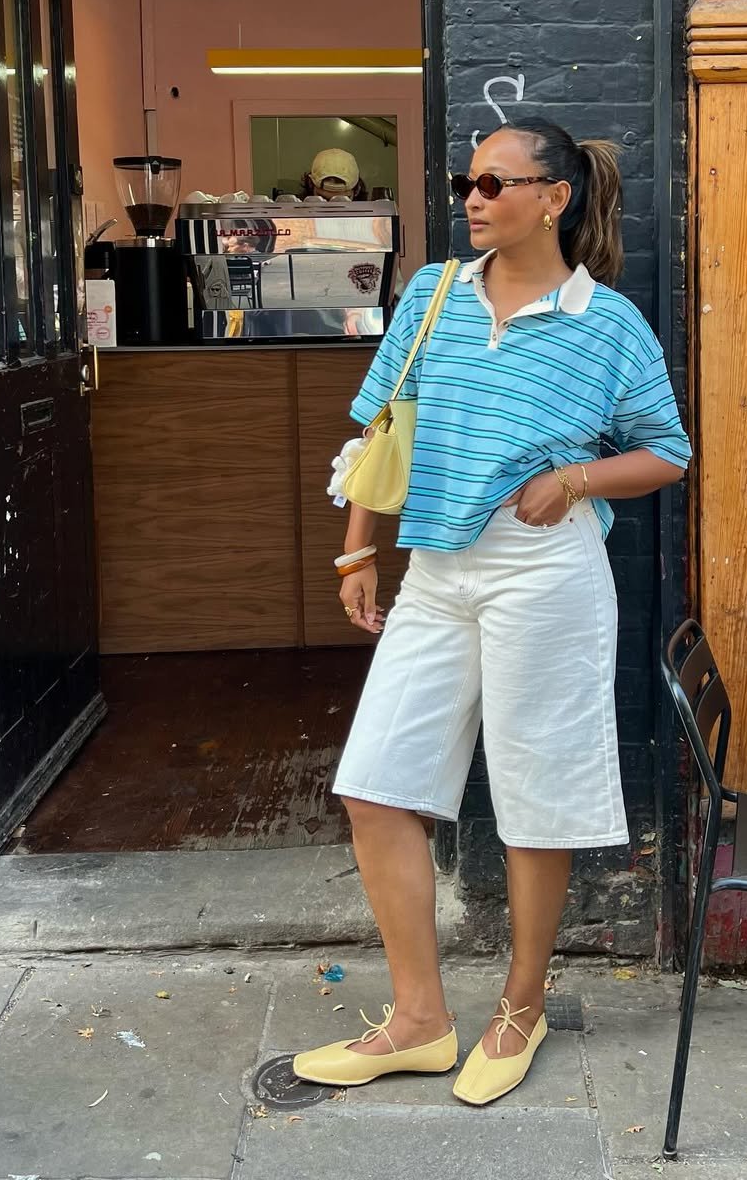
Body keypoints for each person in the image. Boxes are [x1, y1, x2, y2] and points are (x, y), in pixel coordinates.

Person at [291, 116, 692, 1106]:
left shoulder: (608, 323)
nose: (472, 197)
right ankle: (420, 1021)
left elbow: (668, 451)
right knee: (377, 785)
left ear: (554, 197)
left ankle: (520, 1006)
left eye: (495, 183)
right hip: (436, 571)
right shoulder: (432, 296)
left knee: (533, 799)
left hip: (543, 572)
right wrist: (357, 547)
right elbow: (382, 423)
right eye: (466, 180)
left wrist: (581, 477)